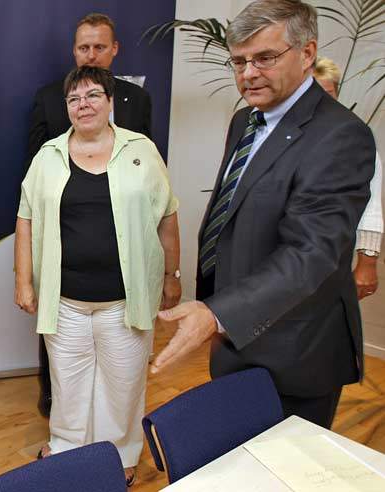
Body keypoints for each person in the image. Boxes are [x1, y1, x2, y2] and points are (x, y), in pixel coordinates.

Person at [153, 0, 376, 429]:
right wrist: (220, 314)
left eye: (265, 58)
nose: (248, 73)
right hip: (237, 337)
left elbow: (312, 254)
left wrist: (217, 313)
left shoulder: (342, 136)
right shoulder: (244, 121)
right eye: (238, 61)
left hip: (296, 351)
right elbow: (233, 220)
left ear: (307, 53)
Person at [15, 66, 179, 487]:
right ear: (65, 107)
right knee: (66, 380)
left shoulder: (141, 150)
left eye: (92, 96)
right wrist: (23, 281)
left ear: (110, 102)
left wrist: (172, 276)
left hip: (124, 301)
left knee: (122, 383)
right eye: (74, 99)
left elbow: (168, 215)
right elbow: (26, 219)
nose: (82, 105)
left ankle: (120, 454)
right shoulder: (48, 156)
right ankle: (67, 445)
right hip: (65, 300)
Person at [27, 12, 153, 416]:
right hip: (66, 264)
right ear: (74, 50)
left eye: (100, 47)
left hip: (123, 269)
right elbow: (33, 179)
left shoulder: (139, 100)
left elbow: (151, 181)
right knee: (64, 355)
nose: (92, 55)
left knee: (121, 364)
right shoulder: (49, 97)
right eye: (84, 47)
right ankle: (55, 400)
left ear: (114, 50)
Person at [313, 56, 382, 299]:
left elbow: (371, 202)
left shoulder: (355, 137)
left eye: (328, 93)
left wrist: (368, 261)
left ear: (337, 93)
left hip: (332, 256)